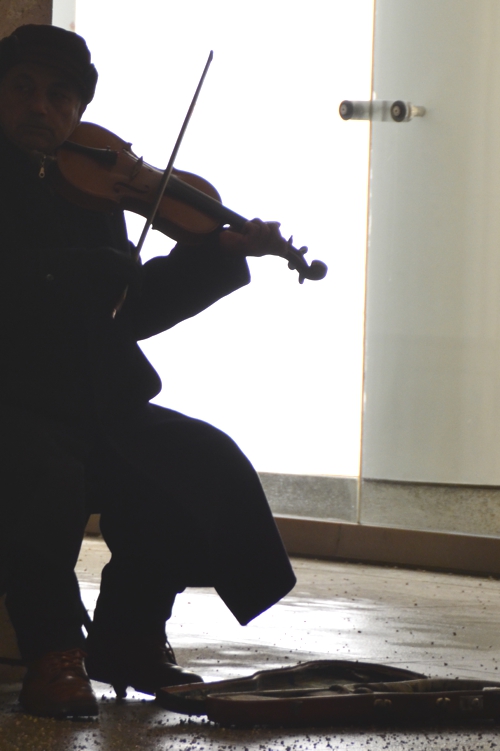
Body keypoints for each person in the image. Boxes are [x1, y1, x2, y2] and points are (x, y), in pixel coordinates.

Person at [0, 24, 296, 718]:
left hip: (93, 401)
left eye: (60, 96)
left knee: (201, 462)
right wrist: (82, 273)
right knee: (42, 470)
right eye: (22, 89)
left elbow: (129, 307)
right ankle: (51, 654)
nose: (41, 107)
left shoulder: (90, 188)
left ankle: (128, 636)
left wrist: (218, 253)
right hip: (14, 403)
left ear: (79, 111)